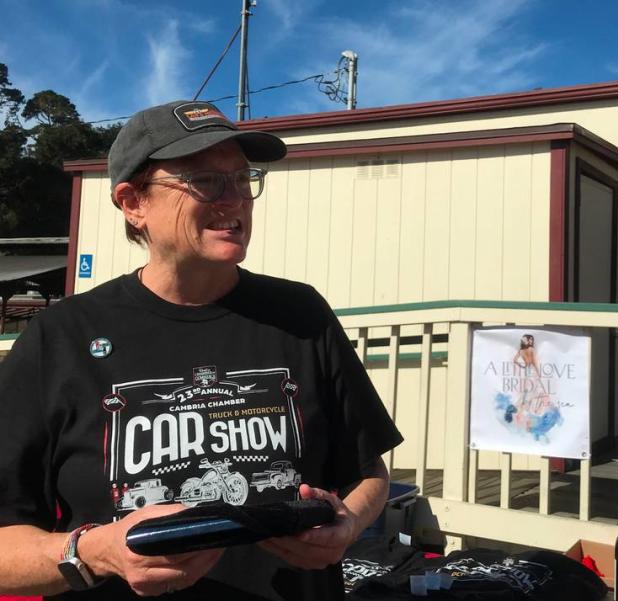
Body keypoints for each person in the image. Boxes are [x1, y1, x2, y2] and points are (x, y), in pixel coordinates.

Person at [0, 100, 403, 600]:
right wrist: (95, 552)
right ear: (133, 203)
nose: (234, 199)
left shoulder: (301, 315)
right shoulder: (62, 335)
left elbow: (367, 473)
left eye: (242, 178)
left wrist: (348, 523)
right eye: (206, 181)